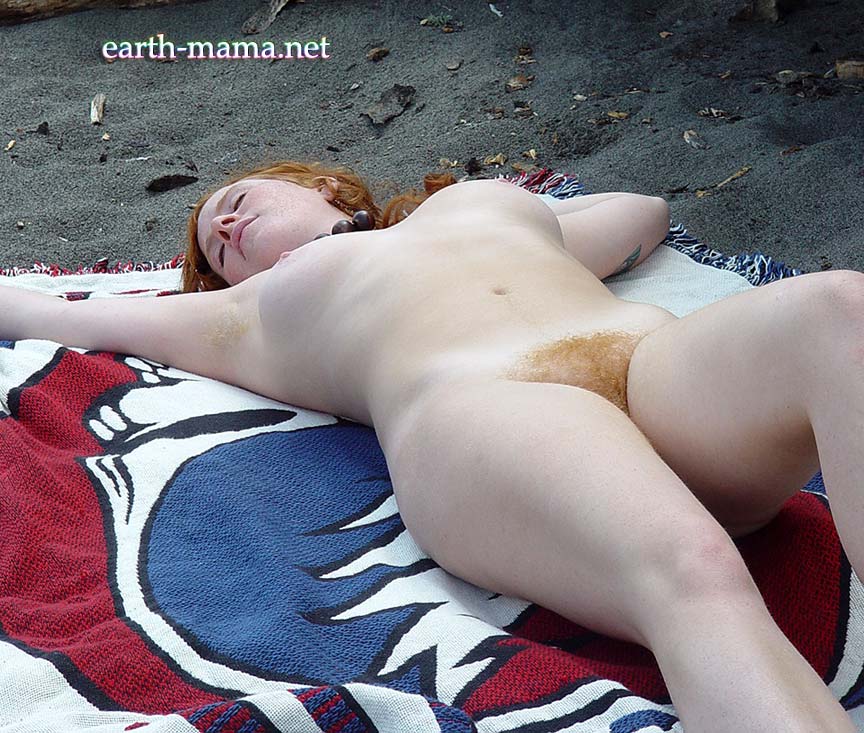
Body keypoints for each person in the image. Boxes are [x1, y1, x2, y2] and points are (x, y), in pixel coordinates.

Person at [1, 160, 861, 733]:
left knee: (838, 310)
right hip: (491, 406)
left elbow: (643, 213)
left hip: (650, 362)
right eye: (210, 248)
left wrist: (496, 213)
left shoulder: (473, 209)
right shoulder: (246, 310)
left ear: (324, 184)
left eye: (235, 198)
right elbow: (56, 315)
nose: (218, 224)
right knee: (693, 569)